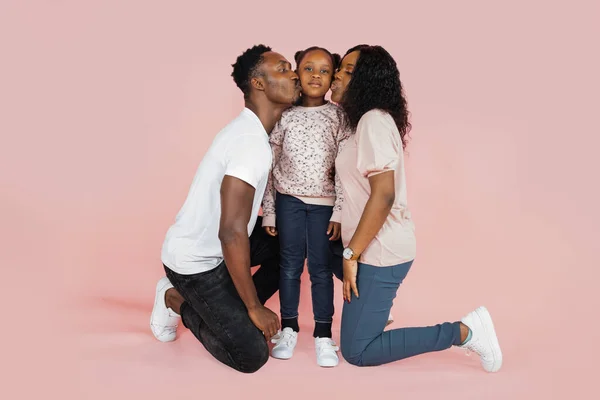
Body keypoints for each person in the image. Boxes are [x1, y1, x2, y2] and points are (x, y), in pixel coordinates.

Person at [331, 44, 503, 372]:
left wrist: (351, 255)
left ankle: (464, 332)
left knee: (357, 352)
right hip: (371, 247)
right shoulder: (362, 124)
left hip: (380, 251)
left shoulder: (373, 121)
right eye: (339, 68)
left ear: (366, 81)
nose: (338, 75)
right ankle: (376, 313)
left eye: (349, 71)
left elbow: (383, 195)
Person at [149, 44, 301, 374]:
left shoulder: (255, 133)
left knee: (294, 241)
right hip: (195, 262)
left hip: (222, 247)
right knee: (251, 355)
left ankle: (231, 308)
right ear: (258, 84)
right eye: (283, 68)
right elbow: (230, 231)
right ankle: (174, 299)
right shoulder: (249, 143)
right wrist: (254, 307)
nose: (294, 74)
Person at [260, 46, 346, 367]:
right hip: (289, 202)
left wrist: (339, 211)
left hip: (325, 206)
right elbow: (271, 164)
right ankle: (289, 327)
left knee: (321, 270)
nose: (316, 76)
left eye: (324, 71)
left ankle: (324, 334)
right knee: (290, 266)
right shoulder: (285, 116)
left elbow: (345, 168)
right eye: (309, 68)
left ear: (332, 79)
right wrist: (270, 209)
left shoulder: (339, 117)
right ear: (297, 72)